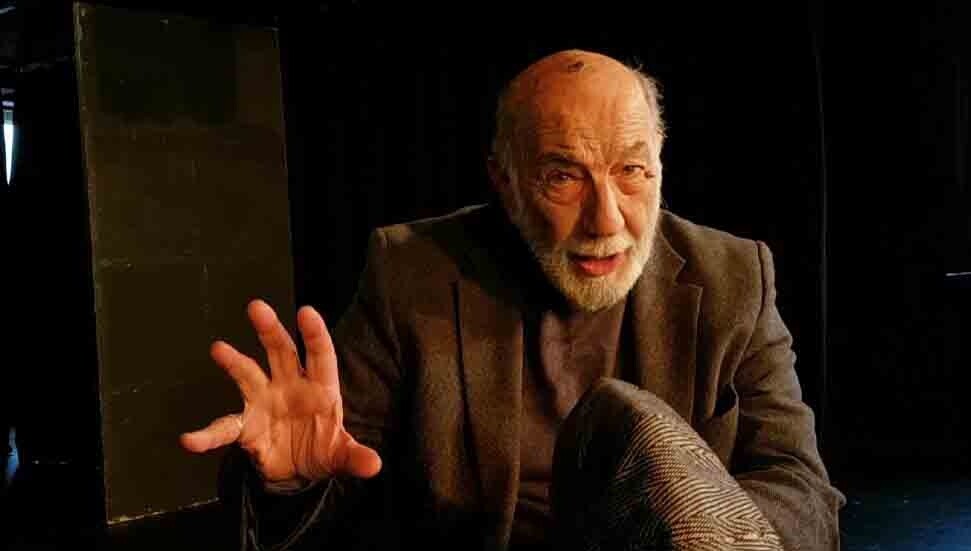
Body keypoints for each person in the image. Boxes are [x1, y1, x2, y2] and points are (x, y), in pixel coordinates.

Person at [181, 49, 845, 550]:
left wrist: (712, 536)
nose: (607, 219)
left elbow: (800, 485)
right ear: (505, 180)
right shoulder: (410, 272)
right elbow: (335, 482)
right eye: (563, 176)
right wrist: (289, 483)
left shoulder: (734, 276)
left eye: (632, 170)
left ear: (661, 164)